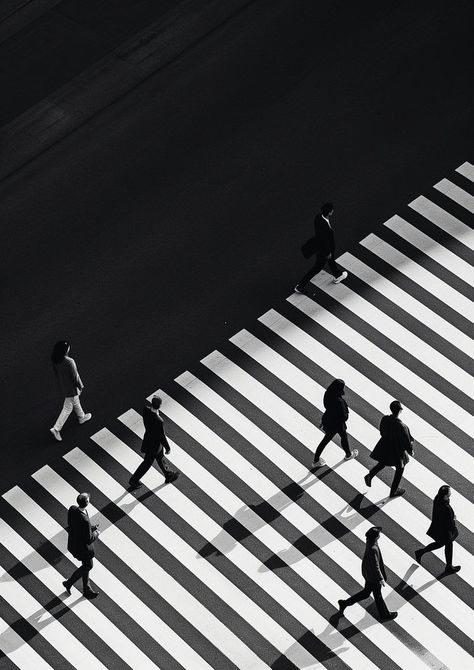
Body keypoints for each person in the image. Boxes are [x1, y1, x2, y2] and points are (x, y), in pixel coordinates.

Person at [338, 527, 397, 621]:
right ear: (376, 537)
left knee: (366, 593)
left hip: (368, 573)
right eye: (378, 534)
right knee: (377, 595)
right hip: (373, 576)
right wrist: (380, 578)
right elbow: (375, 566)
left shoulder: (370, 541)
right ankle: (385, 614)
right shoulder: (373, 548)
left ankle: (344, 603)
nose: (380, 535)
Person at [295, 202, 348, 294]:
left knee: (331, 261)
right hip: (324, 250)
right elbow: (325, 240)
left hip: (322, 247)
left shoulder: (318, 217)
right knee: (317, 268)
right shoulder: (325, 227)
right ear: (330, 212)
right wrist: (328, 252)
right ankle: (300, 286)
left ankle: (338, 275)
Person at [364, 400, 413, 498]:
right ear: (399, 411)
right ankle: (393, 491)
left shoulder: (385, 419)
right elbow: (407, 441)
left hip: (385, 445)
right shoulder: (402, 426)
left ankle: (370, 475)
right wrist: (410, 450)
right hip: (396, 450)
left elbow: (382, 432)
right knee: (400, 468)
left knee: (383, 462)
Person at [129, 395, 179, 489]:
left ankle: (168, 474)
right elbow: (161, 436)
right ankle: (134, 480)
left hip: (148, 439)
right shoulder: (159, 421)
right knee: (147, 462)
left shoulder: (146, 410)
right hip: (155, 445)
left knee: (159, 457)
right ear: (159, 406)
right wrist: (168, 448)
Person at [50, 341, 91, 441]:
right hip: (71, 388)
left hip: (63, 385)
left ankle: (81, 417)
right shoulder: (69, 361)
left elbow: (56, 374)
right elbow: (75, 376)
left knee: (75, 401)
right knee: (67, 408)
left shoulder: (55, 359)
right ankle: (56, 428)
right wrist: (80, 386)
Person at [311, 379, 358, 468]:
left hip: (328, 419)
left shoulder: (327, 393)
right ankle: (316, 461)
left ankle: (348, 454)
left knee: (332, 439)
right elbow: (345, 417)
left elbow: (325, 405)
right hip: (337, 423)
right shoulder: (339, 401)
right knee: (337, 438)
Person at [415, 485, 461, 574]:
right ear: (445, 496)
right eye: (449, 492)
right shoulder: (445, 508)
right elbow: (449, 522)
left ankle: (420, 552)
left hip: (439, 526)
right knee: (448, 544)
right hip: (445, 529)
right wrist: (453, 519)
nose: (451, 493)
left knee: (441, 543)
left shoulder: (438, 498)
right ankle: (449, 566)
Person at [63, 492, 99, 598]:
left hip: (73, 543)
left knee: (85, 566)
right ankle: (68, 583)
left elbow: (74, 525)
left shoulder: (72, 509)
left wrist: (90, 529)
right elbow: (89, 539)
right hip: (83, 548)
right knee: (88, 566)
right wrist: (96, 533)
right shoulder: (85, 520)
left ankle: (86, 589)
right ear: (87, 502)